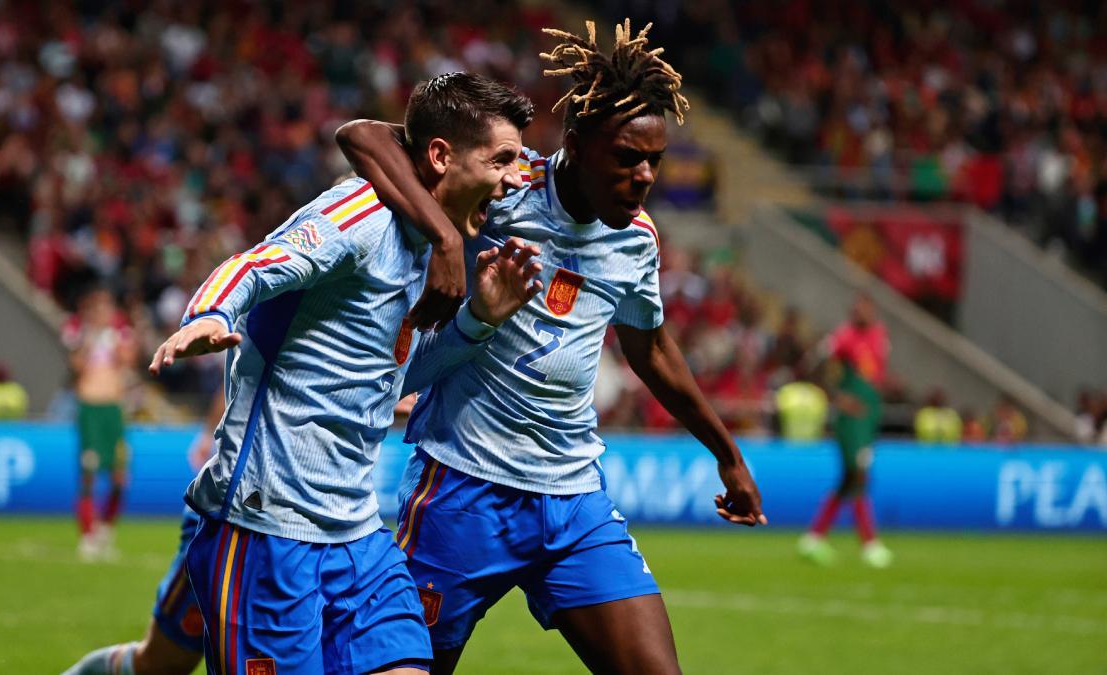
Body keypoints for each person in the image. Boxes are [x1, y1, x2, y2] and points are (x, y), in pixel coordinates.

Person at [337, 20, 765, 675]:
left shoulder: (635, 242)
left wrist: (725, 452)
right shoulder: (506, 185)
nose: (644, 175)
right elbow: (367, 137)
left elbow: (650, 350)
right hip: (461, 489)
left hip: (573, 500)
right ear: (577, 143)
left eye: (654, 160)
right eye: (627, 157)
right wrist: (448, 240)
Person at [149, 73, 542, 675]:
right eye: (502, 159)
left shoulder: (435, 251)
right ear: (440, 156)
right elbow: (254, 265)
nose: (516, 177)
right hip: (265, 528)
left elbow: (402, 372)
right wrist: (209, 313)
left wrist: (480, 320)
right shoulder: (362, 216)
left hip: (357, 534)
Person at [61, 388, 225, 675]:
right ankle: (91, 534)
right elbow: (238, 363)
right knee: (162, 664)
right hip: (237, 517)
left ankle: (102, 532)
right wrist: (206, 433)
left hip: (320, 523)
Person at [799, 294, 894, 568]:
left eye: (866, 307)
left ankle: (814, 537)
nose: (861, 312)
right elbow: (813, 363)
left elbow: (876, 373)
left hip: (869, 415)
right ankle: (869, 543)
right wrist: (837, 397)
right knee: (859, 473)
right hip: (850, 419)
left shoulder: (880, 335)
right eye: (857, 308)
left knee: (848, 478)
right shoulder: (843, 337)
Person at [64, 287, 138, 561]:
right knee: (89, 471)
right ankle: (87, 534)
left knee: (120, 475)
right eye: (99, 308)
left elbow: (128, 360)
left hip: (113, 410)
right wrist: (91, 336)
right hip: (91, 409)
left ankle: (106, 527)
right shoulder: (80, 334)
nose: (104, 313)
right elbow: (76, 366)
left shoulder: (119, 335)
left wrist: (113, 338)